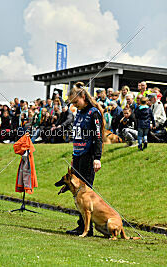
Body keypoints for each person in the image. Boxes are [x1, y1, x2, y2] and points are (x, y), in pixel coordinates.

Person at [66, 81, 105, 236]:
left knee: (84, 193)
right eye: (72, 103)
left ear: (83, 96)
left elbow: (97, 136)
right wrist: (73, 157)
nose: (75, 105)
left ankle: (87, 228)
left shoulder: (93, 112)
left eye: (76, 101)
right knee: (77, 193)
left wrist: (97, 158)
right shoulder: (79, 113)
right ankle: (81, 225)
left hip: (89, 156)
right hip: (78, 155)